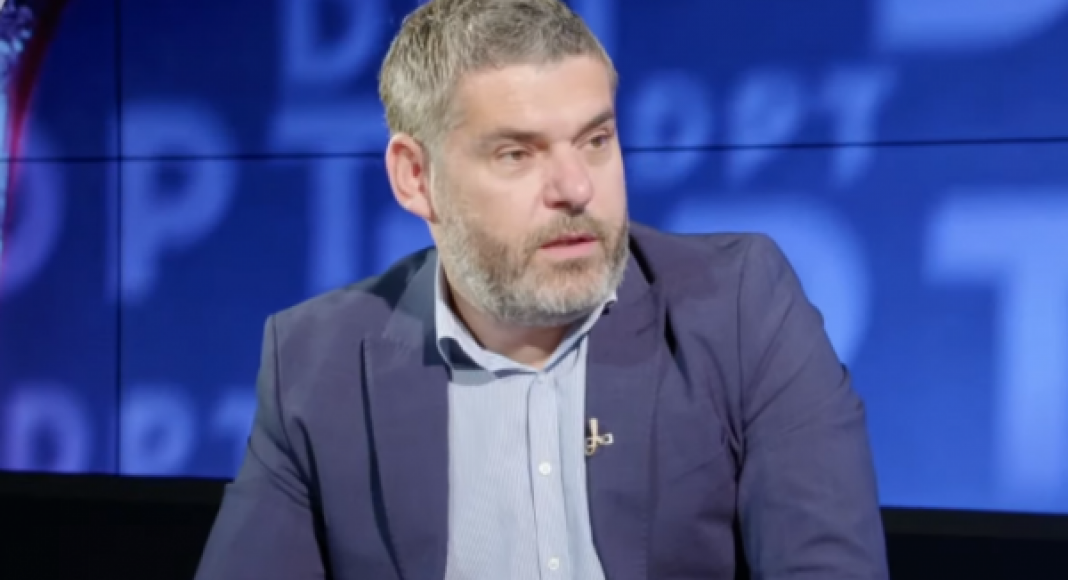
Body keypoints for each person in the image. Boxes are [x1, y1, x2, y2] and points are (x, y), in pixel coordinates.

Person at [195, 0, 889, 578]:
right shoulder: (317, 364)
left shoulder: (738, 307)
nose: (576, 188)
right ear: (415, 177)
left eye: (595, 140)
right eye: (517, 154)